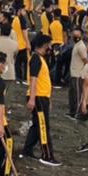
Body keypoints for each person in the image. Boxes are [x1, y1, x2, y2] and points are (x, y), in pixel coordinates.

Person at [19, 34, 60, 166]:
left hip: (42, 96)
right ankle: (47, 155)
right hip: (38, 97)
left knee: (37, 125)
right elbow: (34, 79)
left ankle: (27, 149)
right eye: (49, 44)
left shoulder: (39, 58)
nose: (50, 47)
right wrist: (32, 98)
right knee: (43, 126)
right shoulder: (36, 58)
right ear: (44, 45)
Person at [68, 28, 88, 118]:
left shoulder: (81, 46)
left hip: (78, 74)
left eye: (77, 35)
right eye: (74, 34)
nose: (75, 36)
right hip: (73, 73)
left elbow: (85, 60)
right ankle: (72, 112)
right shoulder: (76, 45)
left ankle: (77, 113)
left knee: (77, 95)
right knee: (72, 94)